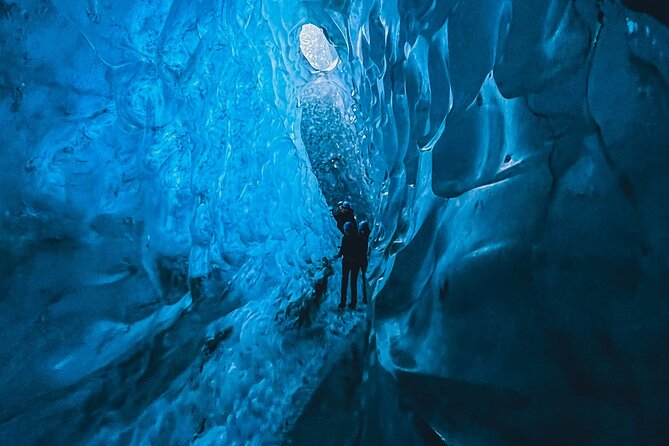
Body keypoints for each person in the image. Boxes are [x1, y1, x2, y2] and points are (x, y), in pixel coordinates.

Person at [337, 221, 360, 310]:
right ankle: (352, 303)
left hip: (347, 262)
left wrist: (339, 255)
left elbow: (343, 250)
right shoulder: (356, 238)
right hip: (354, 263)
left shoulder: (345, 238)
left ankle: (343, 302)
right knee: (353, 283)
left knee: (345, 282)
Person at [357, 220, 371, 304]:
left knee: (365, 279)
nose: (363, 232)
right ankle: (365, 297)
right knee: (364, 279)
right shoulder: (363, 238)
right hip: (363, 261)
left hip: (365, 261)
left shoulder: (364, 238)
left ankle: (366, 298)